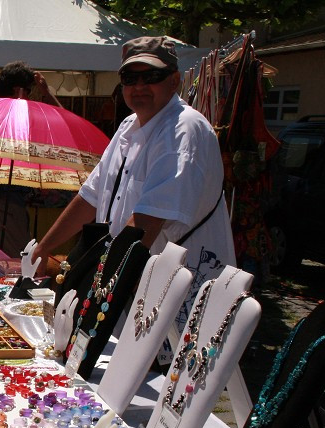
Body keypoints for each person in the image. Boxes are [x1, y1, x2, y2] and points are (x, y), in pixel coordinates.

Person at [32, 36, 235, 324]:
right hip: (129, 284)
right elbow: (90, 198)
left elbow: (145, 225)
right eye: (130, 78)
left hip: (175, 297)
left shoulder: (183, 130)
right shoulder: (129, 125)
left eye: (151, 76)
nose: (139, 87)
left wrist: (94, 286)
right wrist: (43, 249)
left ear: (174, 80)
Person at [0, 61, 61, 256]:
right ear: (19, 90)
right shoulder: (20, 116)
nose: (31, 95)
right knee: (12, 261)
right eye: (29, 91)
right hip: (4, 201)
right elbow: (63, 124)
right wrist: (47, 94)